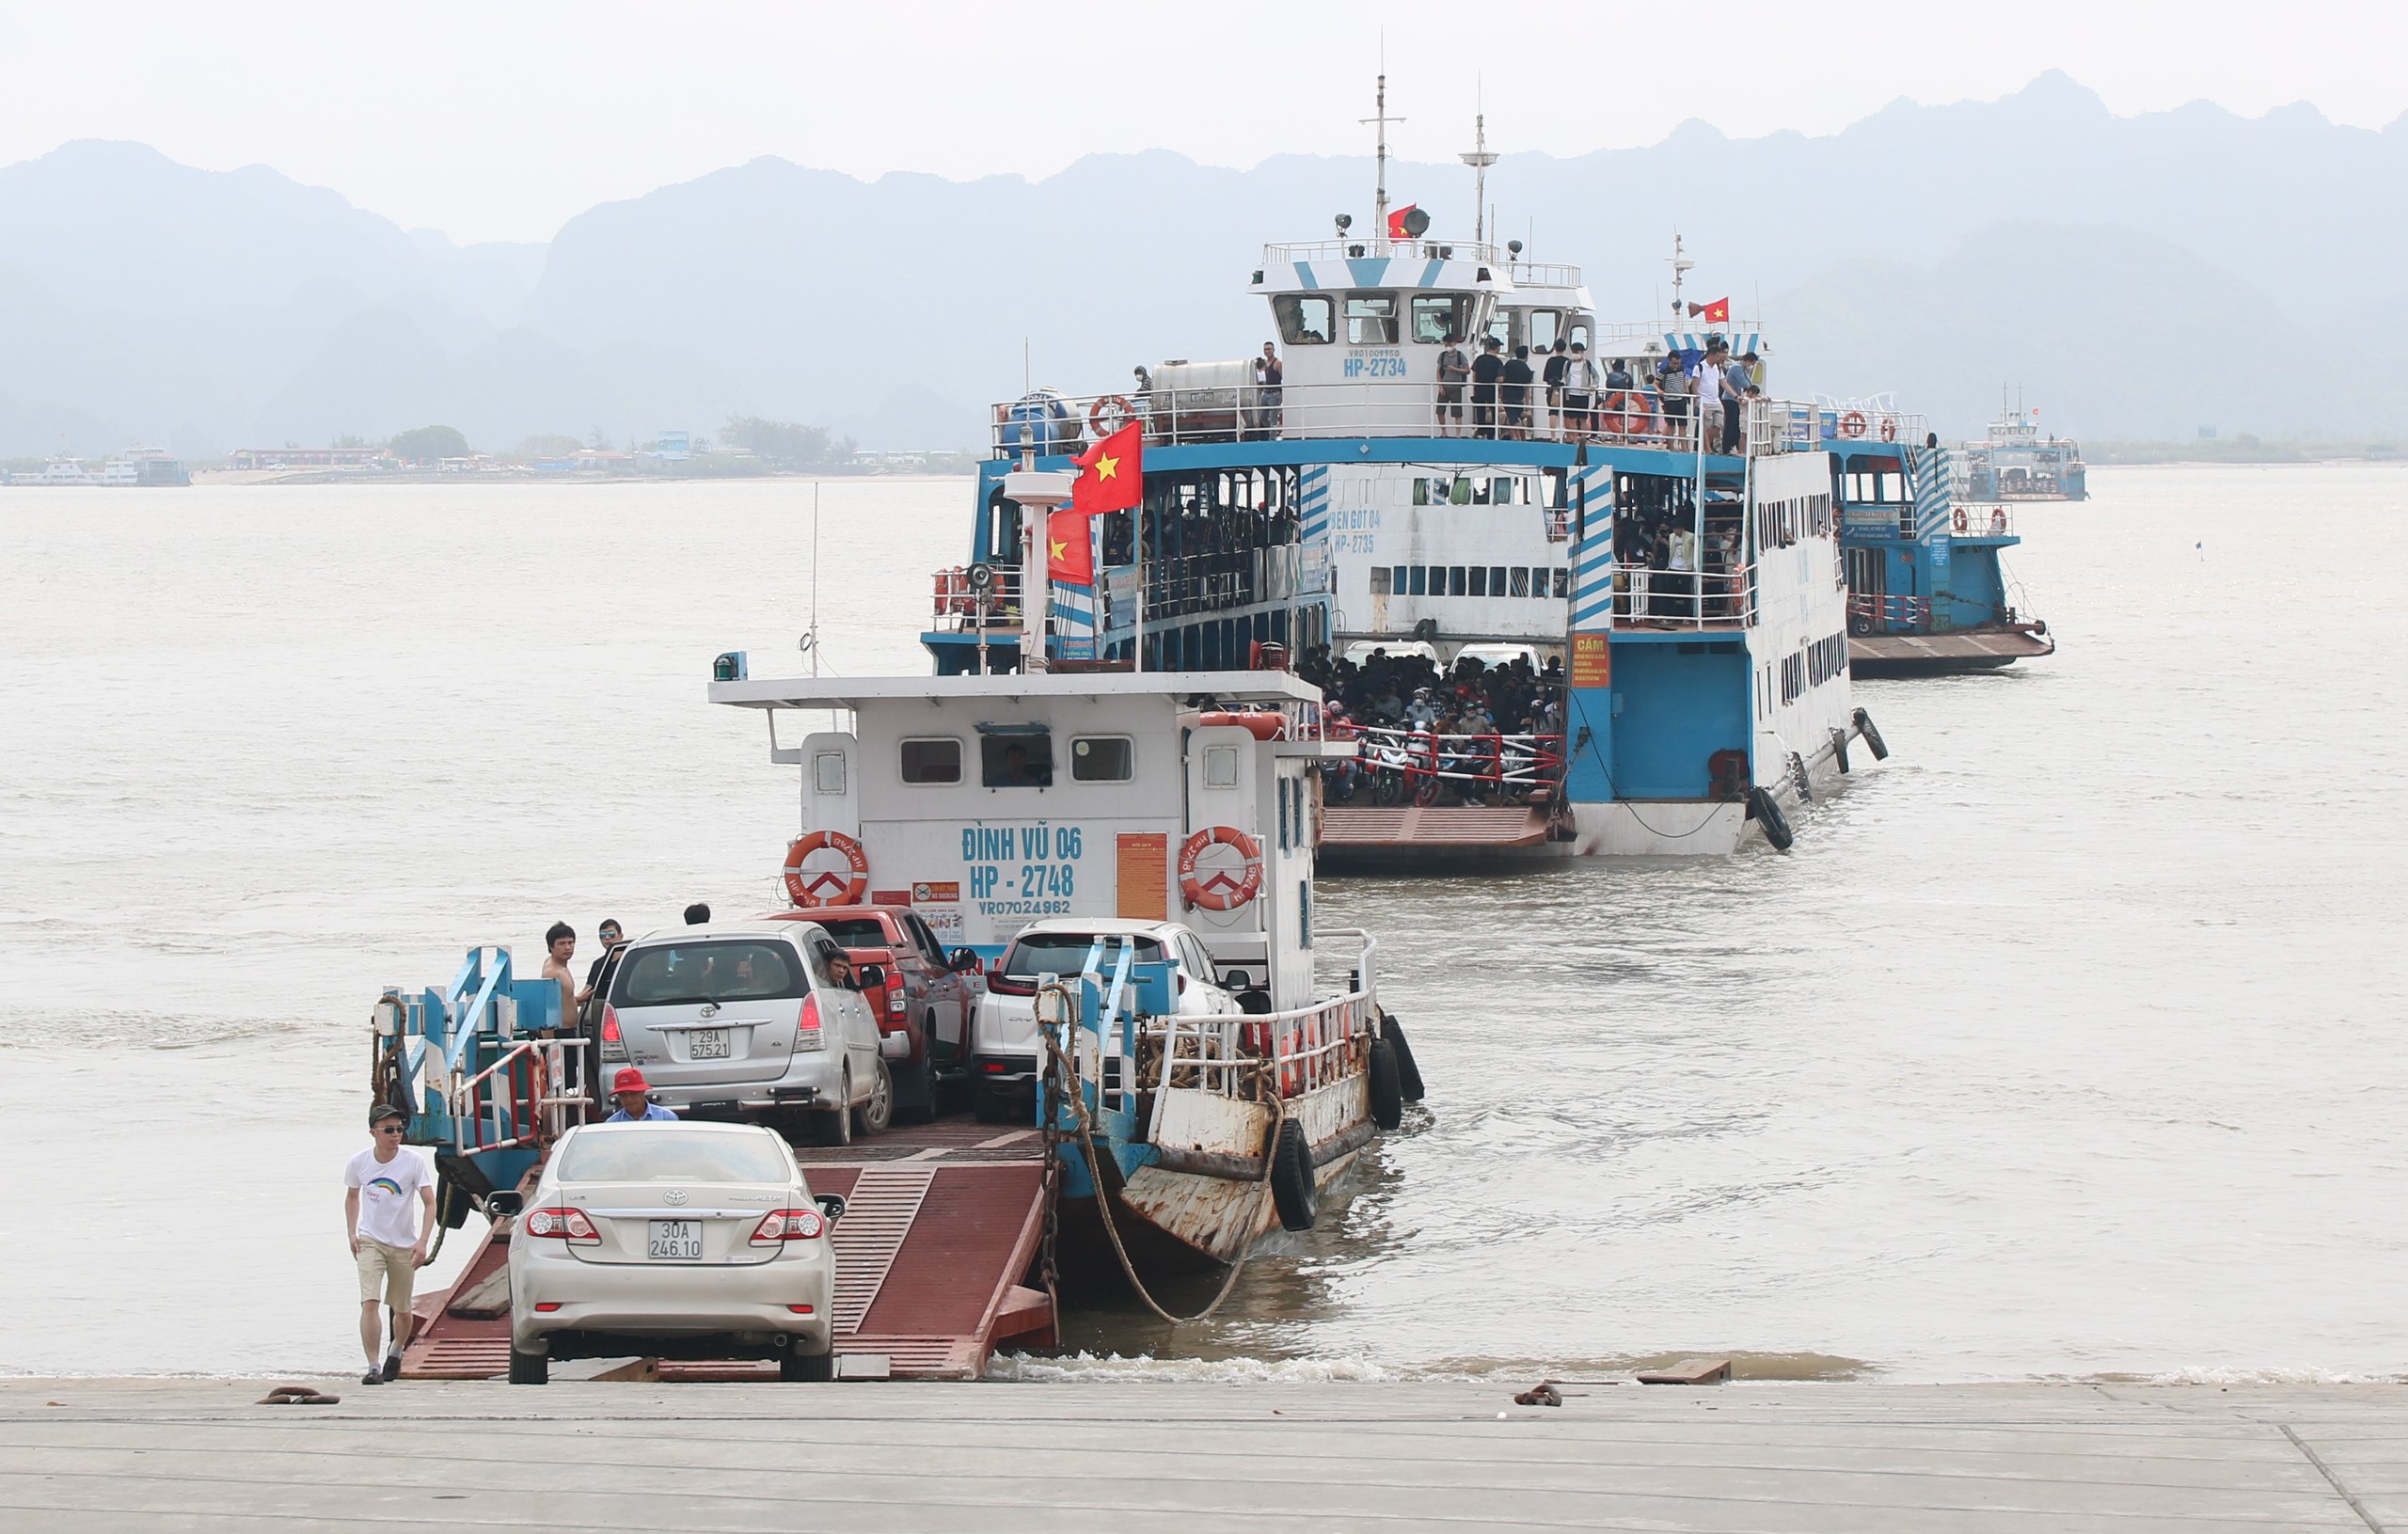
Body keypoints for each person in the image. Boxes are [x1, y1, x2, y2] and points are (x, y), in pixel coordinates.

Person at [345, 1103, 435, 1385]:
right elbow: (352, 1196)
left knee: (402, 1309)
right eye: (389, 1130)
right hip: (370, 1240)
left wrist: (422, 1242)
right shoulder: (359, 1162)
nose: (396, 1134)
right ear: (373, 1132)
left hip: (404, 1245)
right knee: (369, 1301)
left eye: (399, 1129)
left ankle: (395, 1351)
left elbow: (430, 1202)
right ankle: (373, 1366)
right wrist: (351, 1233)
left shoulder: (413, 1161)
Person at [539, 921, 584, 1033]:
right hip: (561, 1032)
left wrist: (579, 999)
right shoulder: (552, 972)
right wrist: (550, 1044)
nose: (568, 947)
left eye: (570, 942)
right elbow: (547, 1008)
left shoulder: (560, 965)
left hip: (571, 1029)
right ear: (551, 947)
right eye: (562, 943)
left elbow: (563, 999)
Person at [604, 1067, 678, 1122]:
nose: (628, 1099)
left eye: (633, 1093)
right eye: (623, 1095)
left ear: (643, 1091)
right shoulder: (612, 1124)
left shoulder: (666, 1117)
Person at [1435, 331, 1470, 435]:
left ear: (1454, 343)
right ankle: (1444, 432)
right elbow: (1438, 371)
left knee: (1457, 412)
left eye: (1449, 344)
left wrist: (1455, 369)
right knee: (1440, 411)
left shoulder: (1460, 356)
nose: (1447, 347)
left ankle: (1457, 434)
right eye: (1445, 344)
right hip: (1444, 387)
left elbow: (1467, 370)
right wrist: (1440, 386)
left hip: (1456, 387)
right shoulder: (1442, 356)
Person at [1470, 337, 1505, 439]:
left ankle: (1481, 432)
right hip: (1491, 389)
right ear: (1498, 348)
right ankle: (1493, 433)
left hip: (1479, 388)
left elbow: (1474, 374)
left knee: (1480, 410)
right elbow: (1500, 379)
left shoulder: (1479, 359)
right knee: (1494, 409)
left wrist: (1475, 385)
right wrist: (1499, 389)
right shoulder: (1498, 362)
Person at [1562, 342, 1598, 440]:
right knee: (1572, 419)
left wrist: (1594, 385)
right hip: (1571, 394)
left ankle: (1583, 438)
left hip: (1583, 394)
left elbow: (1596, 376)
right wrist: (1563, 383)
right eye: (1573, 352)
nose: (1575, 354)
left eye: (1577, 352)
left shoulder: (1588, 364)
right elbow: (1564, 376)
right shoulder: (1568, 363)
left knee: (1583, 418)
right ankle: (1574, 439)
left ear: (1582, 352)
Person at [1501, 345, 1536, 439]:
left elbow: (1502, 378)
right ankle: (1518, 438)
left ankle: (1518, 439)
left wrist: (1500, 393)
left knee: (1512, 419)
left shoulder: (1509, 364)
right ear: (1526, 356)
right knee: (1514, 419)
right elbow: (1527, 388)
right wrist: (1527, 404)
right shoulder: (1526, 369)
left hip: (1508, 397)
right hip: (1519, 398)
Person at [1252, 341, 1284, 436]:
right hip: (1266, 393)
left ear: (1273, 350)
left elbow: (1282, 377)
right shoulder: (1265, 363)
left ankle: (1272, 437)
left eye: (1269, 349)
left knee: (1273, 417)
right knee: (1263, 417)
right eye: (1265, 349)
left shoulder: (1278, 363)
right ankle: (1272, 432)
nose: (1267, 351)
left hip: (1275, 393)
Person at [1541, 340, 1570, 438]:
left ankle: (1553, 436)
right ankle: (1568, 436)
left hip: (1552, 390)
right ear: (1565, 348)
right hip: (1565, 390)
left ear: (1554, 348)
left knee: (1553, 413)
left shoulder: (1551, 361)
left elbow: (1545, 378)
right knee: (1566, 414)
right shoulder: (1567, 361)